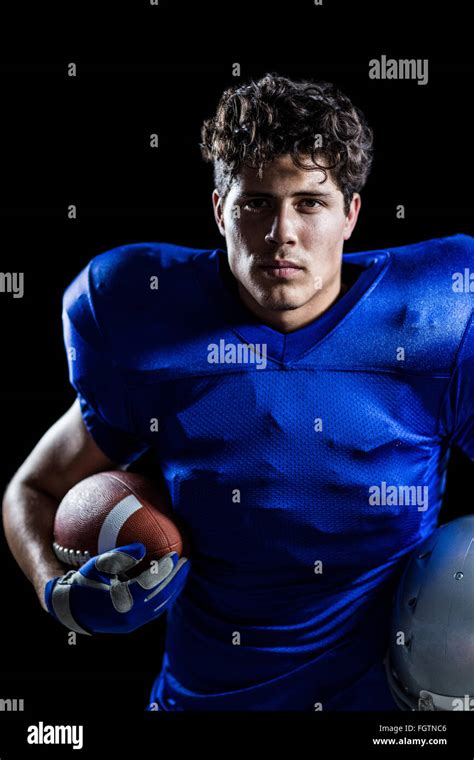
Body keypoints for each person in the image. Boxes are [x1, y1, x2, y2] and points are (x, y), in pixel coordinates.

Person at [3, 72, 473, 711]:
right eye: (257, 202)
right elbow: (33, 489)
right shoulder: (148, 322)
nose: (283, 231)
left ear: (351, 214)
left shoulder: (435, 320)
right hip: (205, 698)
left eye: (310, 202)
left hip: (386, 701)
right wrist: (55, 589)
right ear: (220, 208)